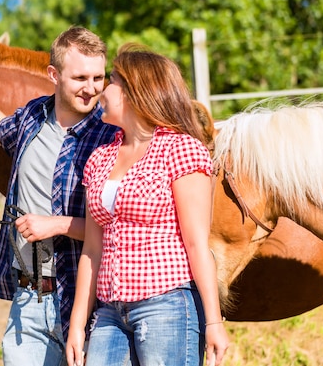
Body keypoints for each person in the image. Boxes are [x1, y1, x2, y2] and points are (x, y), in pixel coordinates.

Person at [0, 27, 118, 366]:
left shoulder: (110, 137)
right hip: (31, 291)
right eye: (80, 77)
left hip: (88, 298)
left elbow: (122, 229)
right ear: (53, 75)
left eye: (98, 77)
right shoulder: (32, 117)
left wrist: (55, 225)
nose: (91, 89)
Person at [65, 43, 230, 366]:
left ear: (133, 91)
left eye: (111, 81)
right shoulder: (100, 158)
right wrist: (77, 327)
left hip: (166, 304)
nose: (102, 90)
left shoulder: (181, 150)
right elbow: (92, 250)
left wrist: (213, 321)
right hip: (110, 311)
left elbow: (197, 244)